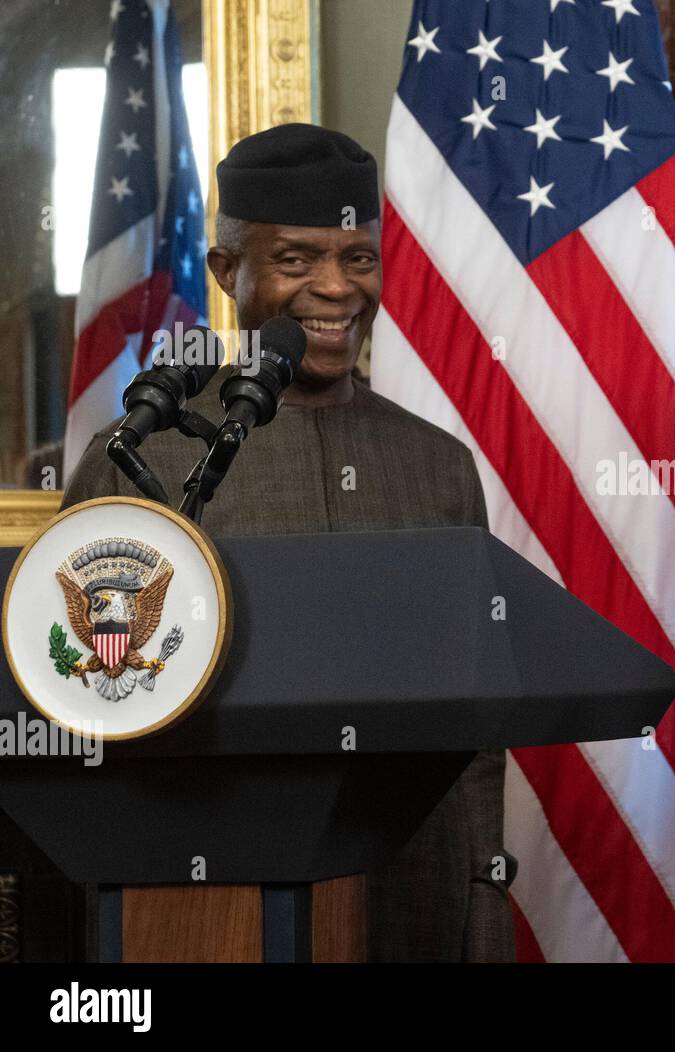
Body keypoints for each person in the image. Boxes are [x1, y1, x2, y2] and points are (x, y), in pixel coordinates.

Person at [62, 123, 514, 962]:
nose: (336, 289)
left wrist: (484, 894)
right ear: (229, 272)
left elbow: (478, 721)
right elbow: (80, 705)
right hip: (201, 895)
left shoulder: (438, 465)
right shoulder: (141, 458)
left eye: (359, 257)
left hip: (412, 889)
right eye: (298, 261)